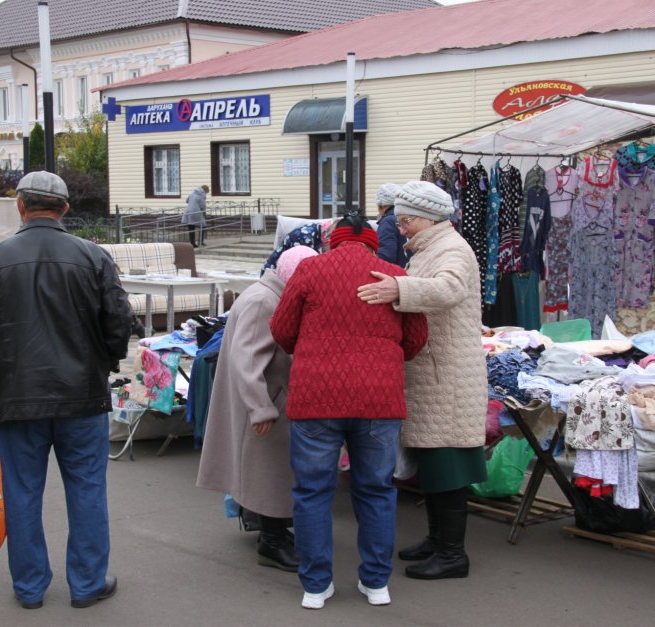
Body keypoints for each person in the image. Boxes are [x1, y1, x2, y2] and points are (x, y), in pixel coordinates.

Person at [0, 171, 133, 610]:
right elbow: (118, 324)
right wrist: (104, 363)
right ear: (66, 209)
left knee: (21, 492)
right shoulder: (93, 257)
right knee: (87, 488)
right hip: (83, 396)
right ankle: (88, 582)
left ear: (20, 206)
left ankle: (30, 587)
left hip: (16, 398)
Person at [269, 214, 427, 610]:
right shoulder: (393, 274)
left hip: (315, 397)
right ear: (374, 243)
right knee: (376, 491)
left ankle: (315, 586)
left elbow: (282, 328)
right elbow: (416, 338)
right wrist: (385, 358)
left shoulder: (310, 268)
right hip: (378, 398)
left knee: (312, 492)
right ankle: (376, 584)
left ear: (331, 241)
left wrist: (309, 351)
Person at [356, 180, 488, 581]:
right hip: (435, 374)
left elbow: (449, 289)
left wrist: (398, 287)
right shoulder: (430, 249)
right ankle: (437, 541)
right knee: (433, 465)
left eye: (405, 220)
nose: (400, 228)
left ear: (426, 219)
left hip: (446, 377)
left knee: (446, 465)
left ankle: (453, 554)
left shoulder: (452, 250)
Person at [196, 245, 319, 572]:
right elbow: (248, 361)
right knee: (269, 471)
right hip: (265, 400)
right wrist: (263, 408)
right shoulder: (264, 301)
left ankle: (275, 533)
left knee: (270, 470)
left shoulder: (267, 295)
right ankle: (273, 541)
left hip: (266, 396)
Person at [374, 183, 410, 267]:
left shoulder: (388, 221)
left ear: (382, 205)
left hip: (396, 275)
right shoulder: (407, 217)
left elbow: (385, 255)